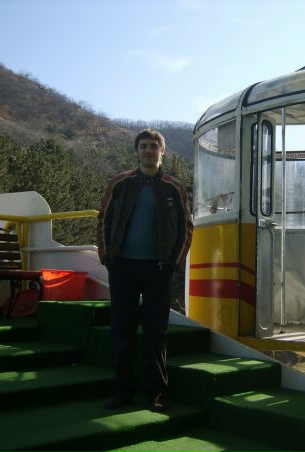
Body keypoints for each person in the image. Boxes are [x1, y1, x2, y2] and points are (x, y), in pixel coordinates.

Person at [96, 129, 193, 412]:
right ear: (137, 151)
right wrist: (106, 256)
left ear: (162, 151)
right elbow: (103, 220)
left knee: (156, 332)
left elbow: (186, 228)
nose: (148, 150)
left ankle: (157, 393)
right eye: (143, 146)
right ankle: (123, 391)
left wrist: (174, 263)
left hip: (158, 269)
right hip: (122, 267)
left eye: (153, 146)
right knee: (121, 330)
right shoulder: (120, 183)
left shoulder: (174, 187)